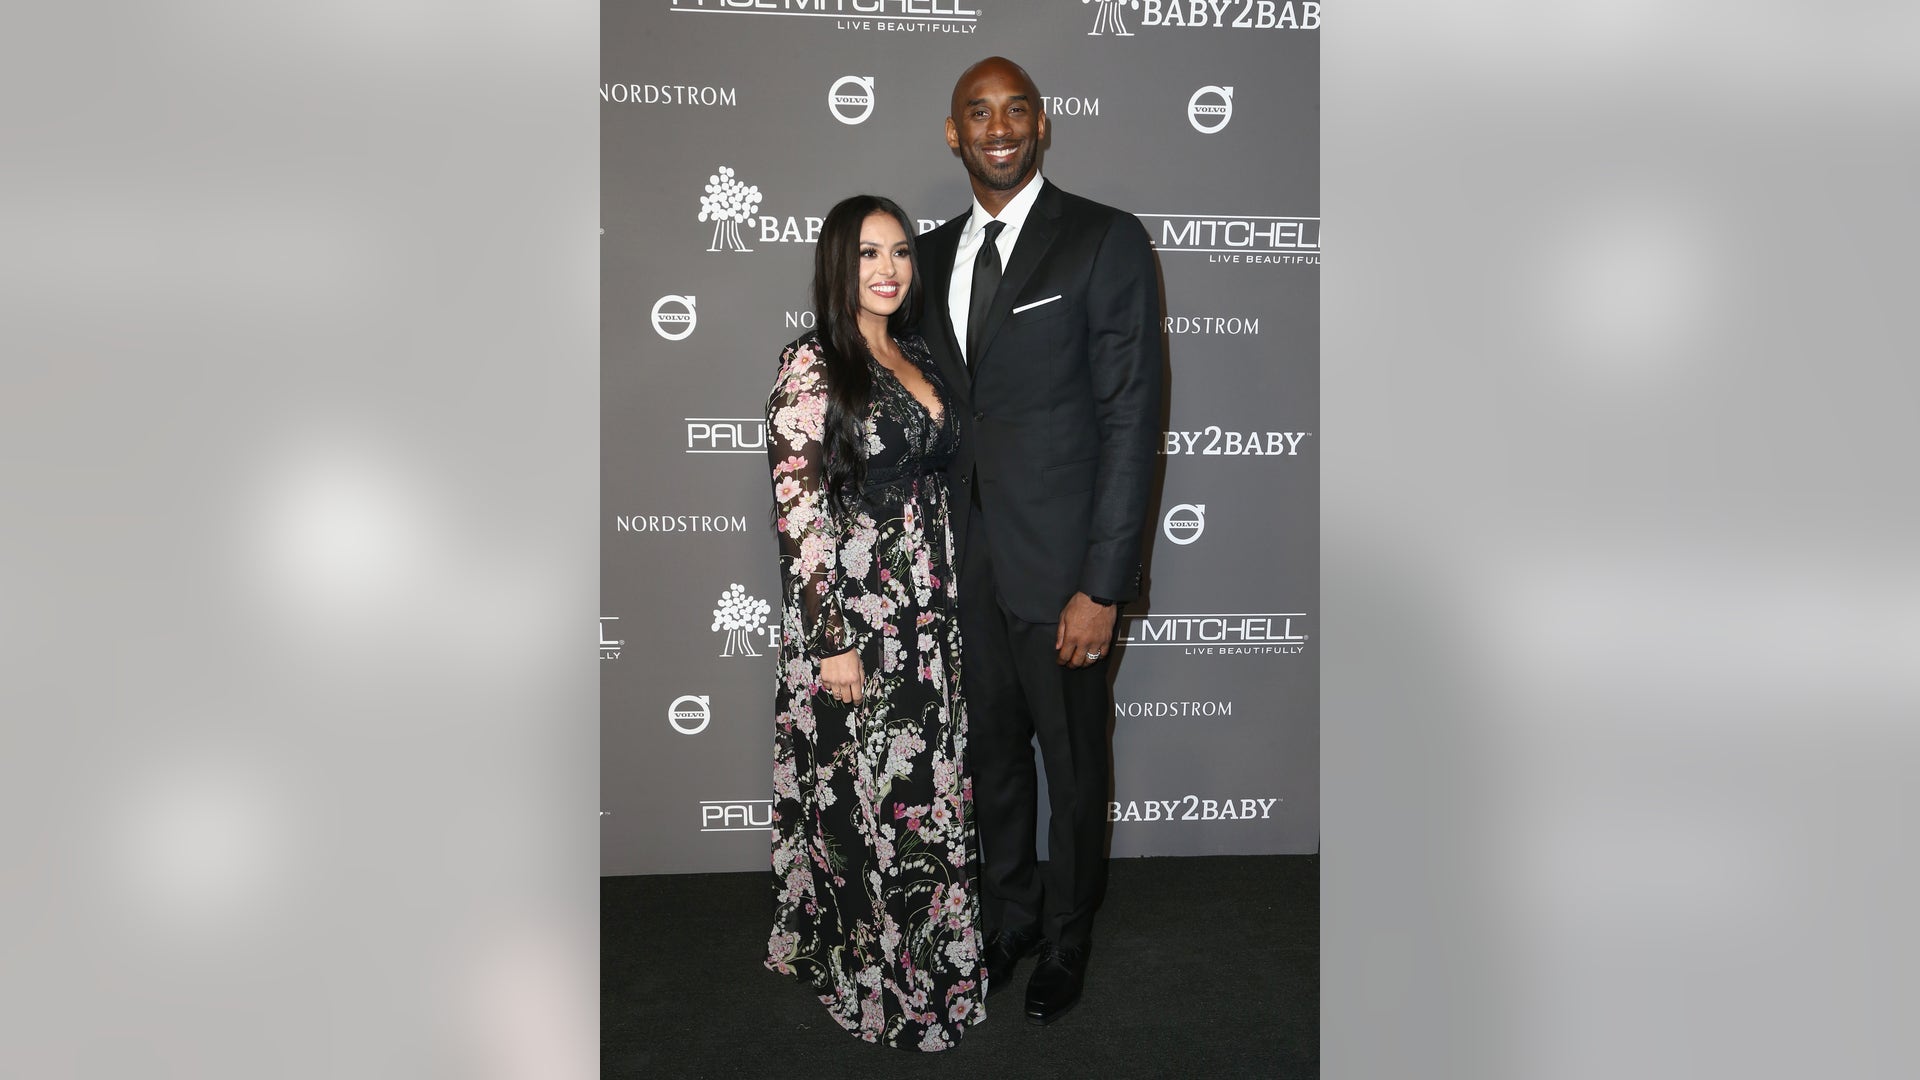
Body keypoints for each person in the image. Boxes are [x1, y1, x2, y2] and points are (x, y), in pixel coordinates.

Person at [916, 57, 1165, 1026]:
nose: (999, 127)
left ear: (1042, 124)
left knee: (1072, 761)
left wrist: (1103, 584)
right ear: (954, 133)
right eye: (978, 113)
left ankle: (1068, 933)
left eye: (1016, 110)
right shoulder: (927, 256)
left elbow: (1131, 418)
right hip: (959, 569)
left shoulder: (1103, 240)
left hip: (1064, 574)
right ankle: (1010, 916)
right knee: (990, 757)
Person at [762, 194, 986, 1051]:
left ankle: (937, 965)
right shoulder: (812, 362)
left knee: (928, 796)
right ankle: (879, 981)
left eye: (898, 252)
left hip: (928, 614)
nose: (888, 269)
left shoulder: (920, 351)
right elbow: (798, 510)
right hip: (857, 621)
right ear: (837, 264)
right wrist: (832, 642)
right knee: (876, 803)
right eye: (867, 254)